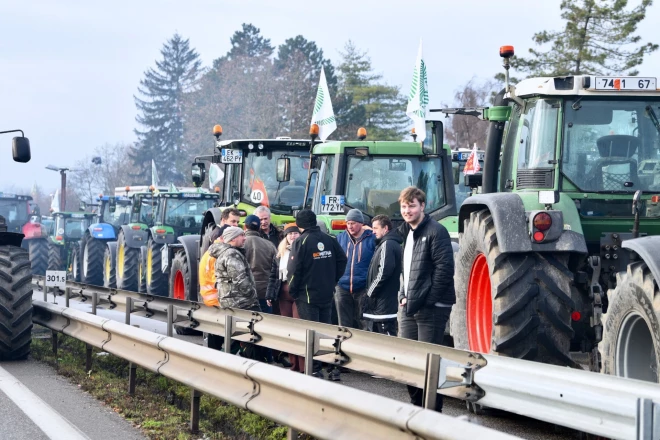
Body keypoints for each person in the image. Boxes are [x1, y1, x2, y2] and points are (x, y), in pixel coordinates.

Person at [397, 186, 455, 411]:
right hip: (410, 306)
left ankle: (432, 415)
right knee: (408, 361)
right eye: (404, 206)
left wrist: (428, 300)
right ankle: (416, 410)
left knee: (429, 364)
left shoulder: (436, 231)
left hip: (432, 308)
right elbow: (407, 270)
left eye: (412, 205)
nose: (407, 210)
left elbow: (444, 269)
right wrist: (404, 295)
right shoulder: (408, 233)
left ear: (422, 206)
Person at [287, 209, 347, 377]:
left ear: (299, 225)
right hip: (327, 294)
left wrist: (293, 290)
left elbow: (293, 270)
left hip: (307, 296)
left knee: (311, 333)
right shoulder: (329, 239)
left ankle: (315, 369)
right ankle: (332, 368)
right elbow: (343, 260)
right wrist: (333, 279)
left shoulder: (301, 241)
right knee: (326, 331)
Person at [208, 226, 263, 358]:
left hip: (230, 300)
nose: (245, 238)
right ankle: (251, 363)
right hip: (241, 302)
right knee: (251, 336)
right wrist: (252, 296)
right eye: (241, 236)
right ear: (233, 238)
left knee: (235, 336)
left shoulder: (225, 253)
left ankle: (223, 360)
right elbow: (240, 279)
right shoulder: (232, 254)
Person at [266, 223, 302, 372]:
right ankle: (294, 365)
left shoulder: (302, 249)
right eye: (290, 234)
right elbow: (274, 275)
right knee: (289, 329)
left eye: (295, 233)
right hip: (283, 292)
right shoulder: (280, 253)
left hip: (299, 293)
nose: (293, 236)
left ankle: (304, 366)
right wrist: (269, 294)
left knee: (299, 328)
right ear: (286, 237)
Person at [243, 214, 278, 363]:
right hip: (264, 292)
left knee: (246, 326)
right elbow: (275, 270)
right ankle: (268, 357)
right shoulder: (269, 245)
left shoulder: (240, 243)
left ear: (245, 227)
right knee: (265, 326)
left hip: (245, 292)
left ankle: (250, 357)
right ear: (259, 227)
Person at [335, 209, 376, 331]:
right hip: (342, 286)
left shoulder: (372, 238)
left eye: (353, 223)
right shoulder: (340, 238)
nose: (350, 226)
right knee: (343, 324)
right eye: (348, 223)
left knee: (364, 323)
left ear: (361, 223)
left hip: (363, 287)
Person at [364, 215, 401, 336]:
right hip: (382, 304)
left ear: (385, 228)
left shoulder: (387, 244)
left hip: (383, 304)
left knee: (387, 339)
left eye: (376, 228)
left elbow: (384, 271)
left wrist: (370, 292)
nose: (373, 231)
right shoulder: (386, 243)